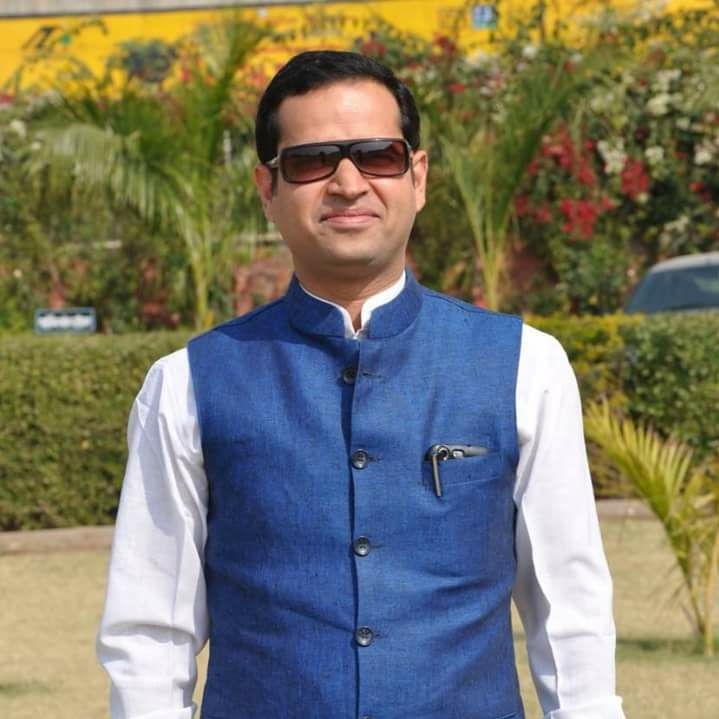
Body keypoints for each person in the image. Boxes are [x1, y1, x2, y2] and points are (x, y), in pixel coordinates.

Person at [98, 50, 626, 719]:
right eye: (311, 162)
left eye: (377, 155)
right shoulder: (185, 385)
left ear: (418, 176)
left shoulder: (525, 366)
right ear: (267, 188)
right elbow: (151, 632)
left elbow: (570, 610)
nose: (348, 183)